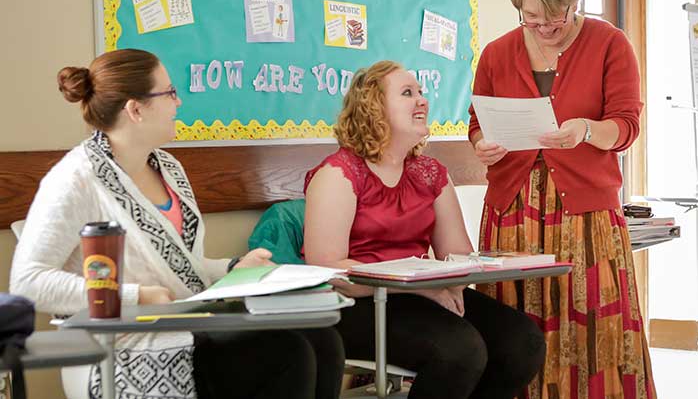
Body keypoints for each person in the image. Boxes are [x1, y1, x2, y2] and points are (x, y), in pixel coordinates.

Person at [9, 49, 344, 399]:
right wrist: (134, 296)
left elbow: (177, 269)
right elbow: (28, 281)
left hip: (192, 324)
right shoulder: (76, 179)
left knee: (323, 340)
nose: (178, 102)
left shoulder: (168, 168)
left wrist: (235, 268)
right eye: (168, 93)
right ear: (135, 109)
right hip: (125, 346)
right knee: (287, 355)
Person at [468, 0, 656, 399]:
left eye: (557, 17)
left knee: (594, 324)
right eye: (532, 18)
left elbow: (626, 126)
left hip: (585, 213)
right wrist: (482, 146)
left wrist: (587, 130)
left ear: (575, 3)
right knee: (516, 325)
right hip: (512, 209)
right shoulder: (497, 54)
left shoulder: (610, 44)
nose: (545, 28)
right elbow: (476, 121)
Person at [304, 60, 545, 399]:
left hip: (420, 295)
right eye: (407, 93)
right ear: (373, 107)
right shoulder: (338, 174)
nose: (422, 100)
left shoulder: (431, 173)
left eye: (420, 92)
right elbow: (327, 269)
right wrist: (418, 288)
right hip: (355, 305)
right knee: (460, 351)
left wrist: (468, 273)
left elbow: (456, 254)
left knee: (523, 342)